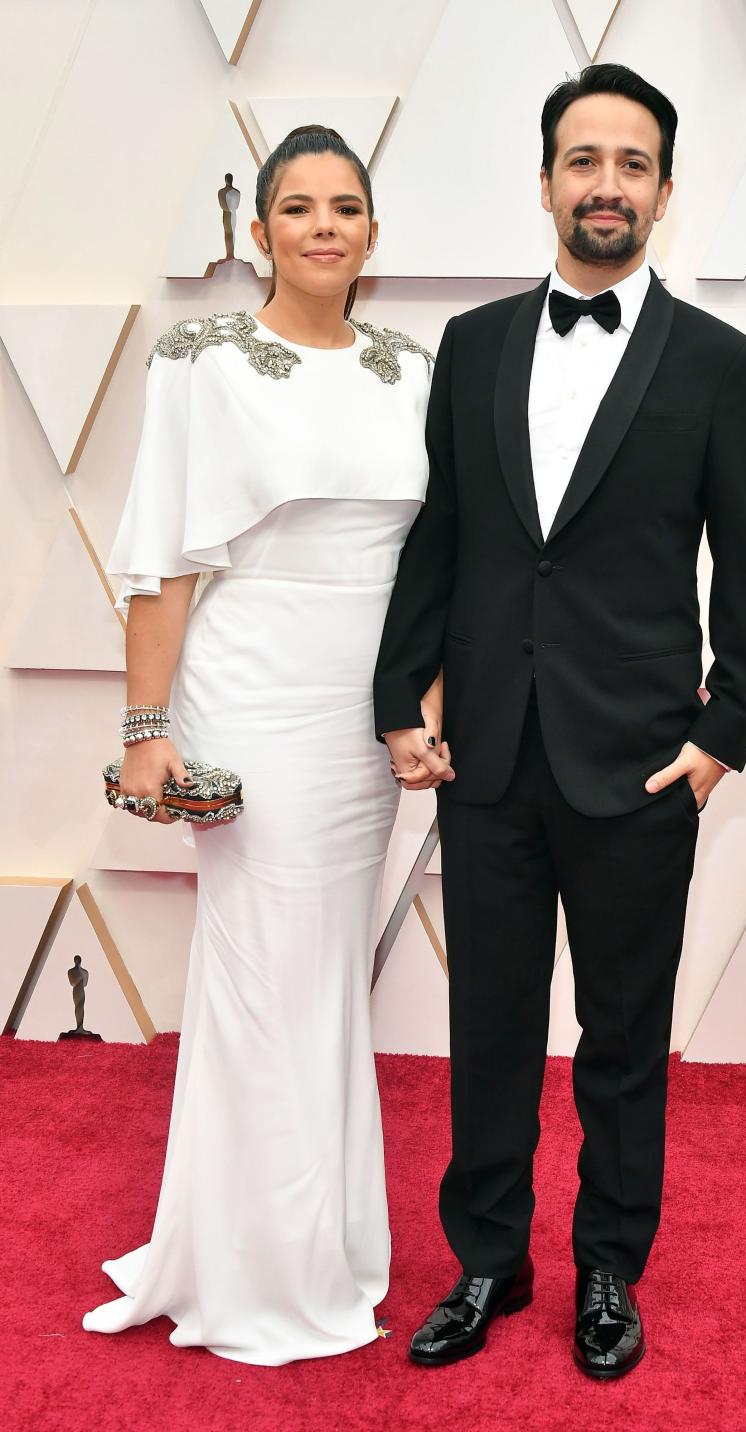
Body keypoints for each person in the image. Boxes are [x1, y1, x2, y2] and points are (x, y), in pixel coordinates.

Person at [374, 64, 746, 1379]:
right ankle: (488, 1260)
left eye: (632, 162)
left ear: (663, 190)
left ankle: (610, 1264)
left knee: (621, 1035)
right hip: (487, 751)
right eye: (583, 159)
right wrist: (400, 696)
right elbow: (447, 533)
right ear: (546, 180)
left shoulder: (724, 364)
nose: (606, 183)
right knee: (488, 1024)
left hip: (644, 757)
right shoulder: (476, 345)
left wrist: (721, 736)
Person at [82, 125, 443, 1365]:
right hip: (250, 700)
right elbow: (161, 557)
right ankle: (254, 1269)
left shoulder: (417, 369)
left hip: (366, 717)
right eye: (300, 207)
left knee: (325, 978)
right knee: (262, 977)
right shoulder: (200, 360)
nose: (324, 226)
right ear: (260, 233)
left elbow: (438, 566)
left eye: (347, 206)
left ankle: (324, 1247)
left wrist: (423, 702)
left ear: (375, 236)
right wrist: (146, 731)